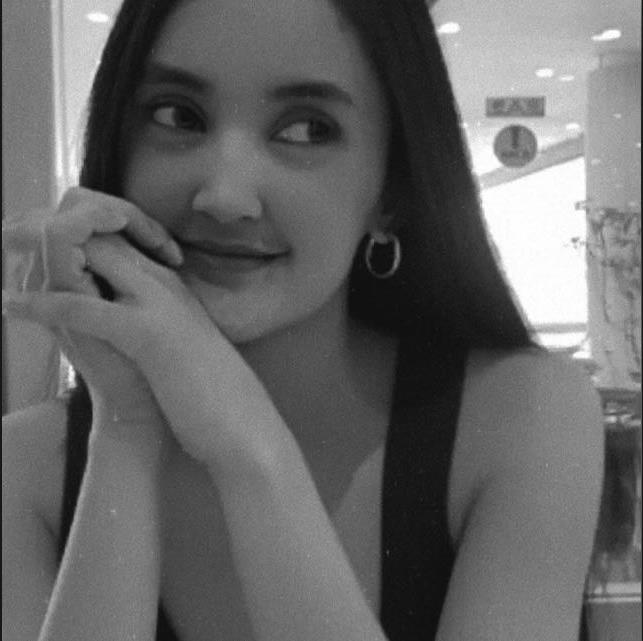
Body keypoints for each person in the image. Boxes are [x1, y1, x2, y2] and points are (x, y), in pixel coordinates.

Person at [2, 0, 604, 639]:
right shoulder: (27, 467)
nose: (225, 197)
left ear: (391, 192)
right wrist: (125, 428)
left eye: (308, 129)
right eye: (178, 115)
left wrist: (249, 450)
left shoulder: (521, 415)